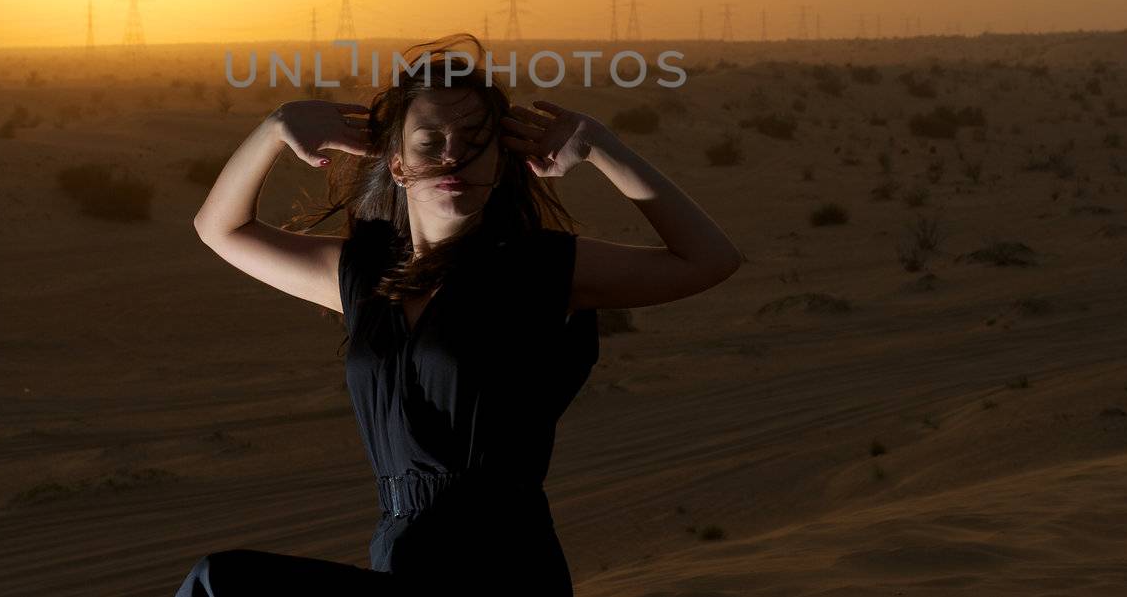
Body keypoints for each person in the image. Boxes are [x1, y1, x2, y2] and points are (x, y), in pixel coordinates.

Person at [177, 33, 743, 595]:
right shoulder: (365, 279)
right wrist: (275, 128)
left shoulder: (540, 269)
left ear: (500, 166)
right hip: (401, 555)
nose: (453, 155)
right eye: (430, 141)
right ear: (397, 165)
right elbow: (220, 229)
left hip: (502, 562)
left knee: (220, 582)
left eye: (475, 140)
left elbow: (709, 259)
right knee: (217, 582)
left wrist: (599, 145)